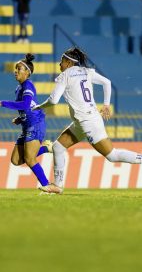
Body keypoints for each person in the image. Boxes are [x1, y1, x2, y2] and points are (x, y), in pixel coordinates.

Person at [32, 47, 142, 194]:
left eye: (61, 61)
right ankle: (57, 186)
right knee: (58, 147)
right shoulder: (86, 72)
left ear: (68, 62)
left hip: (88, 122)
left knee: (112, 155)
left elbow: (53, 100)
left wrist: (39, 107)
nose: (59, 65)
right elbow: (107, 82)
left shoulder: (65, 76)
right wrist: (107, 104)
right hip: (83, 121)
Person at [0, 54, 60, 193]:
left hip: (35, 124)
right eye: (15, 68)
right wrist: (21, 118)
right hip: (26, 124)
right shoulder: (19, 88)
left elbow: (26, 103)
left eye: (19, 68)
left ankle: (48, 185)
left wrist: (4, 103)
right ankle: (46, 148)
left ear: (28, 72)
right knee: (16, 160)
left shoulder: (28, 85)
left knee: (30, 159)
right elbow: (29, 106)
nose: (15, 71)